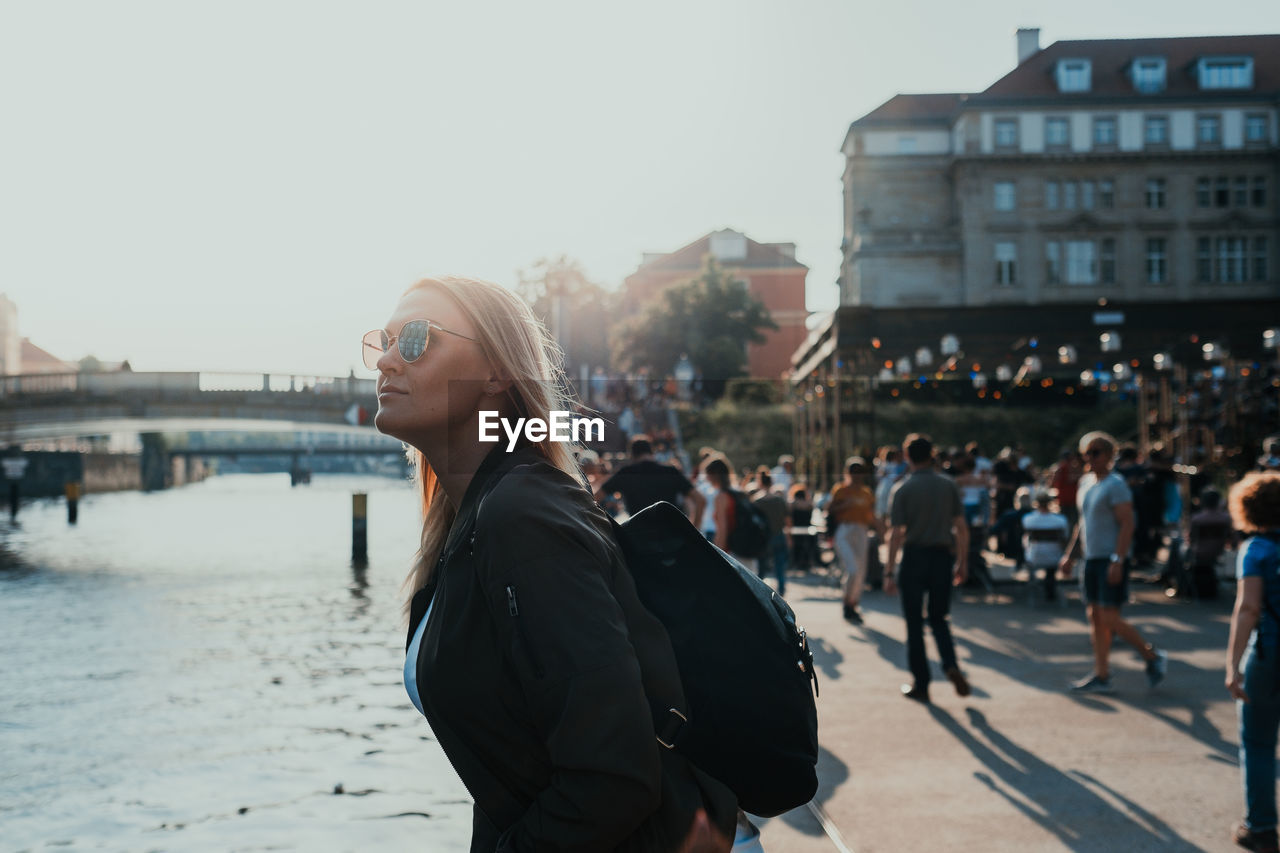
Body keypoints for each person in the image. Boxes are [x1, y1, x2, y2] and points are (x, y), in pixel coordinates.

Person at [374, 276, 743, 851]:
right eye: (386, 340)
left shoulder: (523, 517)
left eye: (417, 338)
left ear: (495, 375)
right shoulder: (475, 520)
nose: (388, 361)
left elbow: (613, 776)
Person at [1058, 431, 1168, 694]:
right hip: (1091, 558)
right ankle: (1102, 675)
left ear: (1109, 455)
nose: (1090, 457)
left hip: (1110, 557)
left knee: (1109, 616)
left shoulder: (1116, 484)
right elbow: (1082, 525)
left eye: (1096, 452)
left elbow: (1127, 524)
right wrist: (1070, 555)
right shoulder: (1086, 483)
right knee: (1095, 617)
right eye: (1086, 453)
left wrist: (1118, 560)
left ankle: (1151, 656)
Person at [883, 434, 972, 703]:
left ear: (907, 456)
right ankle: (950, 663)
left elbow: (896, 533)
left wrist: (888, 571)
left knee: (913, 624)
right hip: (941, 557)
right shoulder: (948, 485)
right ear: (932, 454)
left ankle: (921, 683)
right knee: (939, 618)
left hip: (913, 557)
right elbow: (961, 528)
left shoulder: (902, 489)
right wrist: (962, 562)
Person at [1226, 470, 1280, 853]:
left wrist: (1232, 665)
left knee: (1258, 743)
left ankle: (1261, 827)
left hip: (1269, 653)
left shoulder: (1256, 549)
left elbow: (1248, 608)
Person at [594, 434, 706, 521]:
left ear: (632, 455)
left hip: (638, 539)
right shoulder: (670, 471)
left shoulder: (625, 473)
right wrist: (694, 528)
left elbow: (595, 498)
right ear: (652, 452)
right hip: (672, 537)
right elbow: (700, 500)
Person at [828, 457, 876, 624]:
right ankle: (846, 602)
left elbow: (871, 515)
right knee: (852, 569)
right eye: (853, 472)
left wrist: (881, 530)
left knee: (861, 571)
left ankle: (853, 604)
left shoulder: (866, 492)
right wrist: (845, 505)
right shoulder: (841, 490)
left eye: (859, 472)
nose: (856, 475)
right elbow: (830, 510)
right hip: (845, 530)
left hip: (862, 530)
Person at [1187, 488, 1235, 599]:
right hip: (1218, 551)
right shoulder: (1226, 518)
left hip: (1199, 553)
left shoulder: (1197, 519)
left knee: (1177, 548)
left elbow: (1191, 539)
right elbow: (1232, 538)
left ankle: (1182, 586)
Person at [1022, 490, 1070, 603]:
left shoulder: (1028, 519)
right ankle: (1050, 585)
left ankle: (1047, 585)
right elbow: (1065, 537)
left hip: (1035, 556)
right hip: (1056, 556)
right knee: (1051, 562)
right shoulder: (1061, 520)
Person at [751, 469, 790, 597]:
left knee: (762, 567)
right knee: (780, 566)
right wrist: (789, 537)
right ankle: (782, 590)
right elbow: (788, 520)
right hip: (779, 535)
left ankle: (759, 592)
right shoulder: (779, 500)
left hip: (764, 538)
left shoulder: (757, 501)